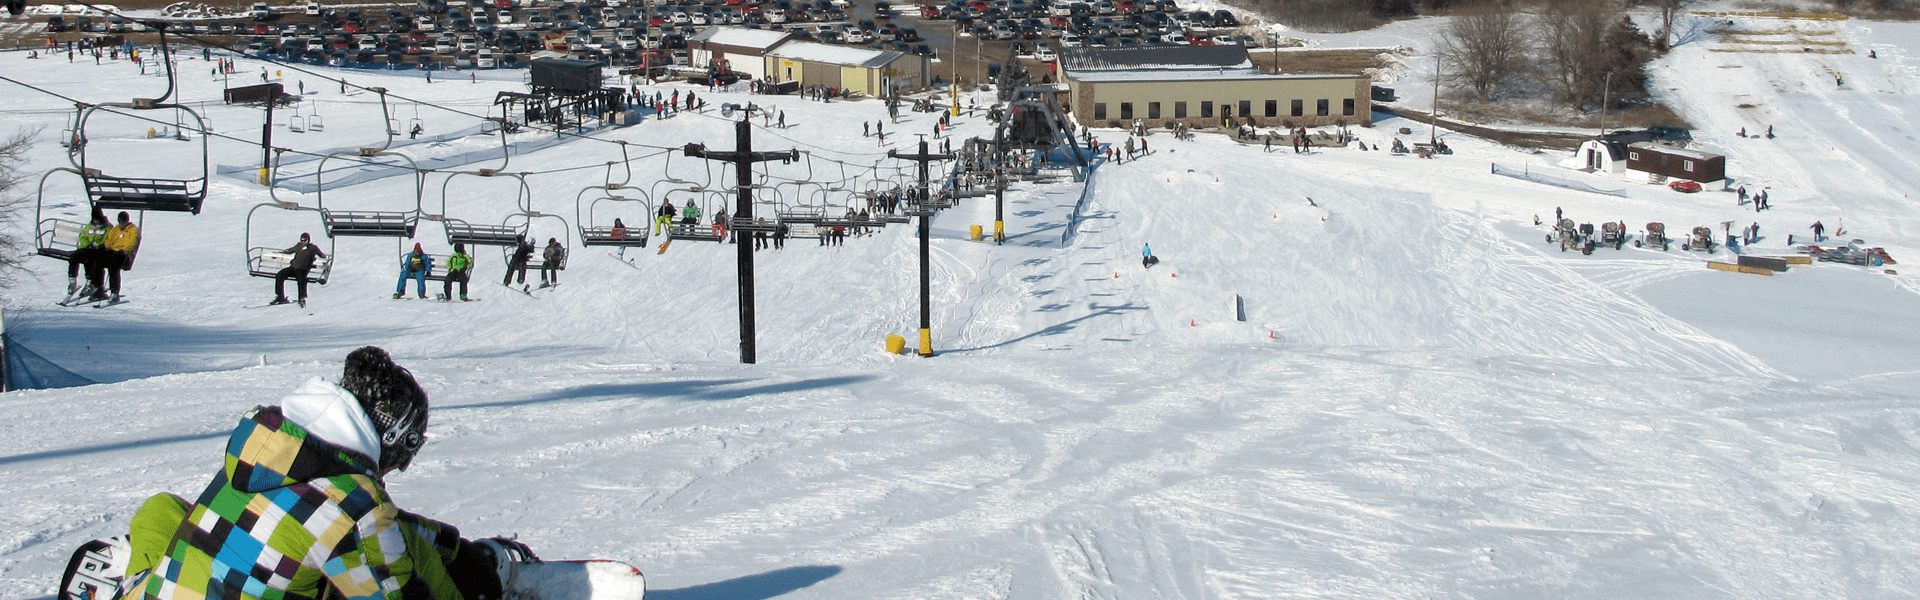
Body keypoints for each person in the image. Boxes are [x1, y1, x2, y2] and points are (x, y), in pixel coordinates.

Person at [113, 347, 535, 600]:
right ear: (390, 438)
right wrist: (471, 570)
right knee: (386, 561)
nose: (390, 474)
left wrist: (448, 542)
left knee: (163, 510)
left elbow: (343, 521)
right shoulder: (353, 505)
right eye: (400, 459)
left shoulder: (273, 444)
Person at [272, 233, 326, 306]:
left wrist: (324, 260)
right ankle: (280, 296)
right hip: (293, 268)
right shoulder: (299, 246)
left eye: (305, 240)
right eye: (302, 240)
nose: (303, 242)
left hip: (303, 270)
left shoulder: (313, 248)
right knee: (280, 275)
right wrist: (278, 254)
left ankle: (302, 297)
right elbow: (290, 251)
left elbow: (321, 255)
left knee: (302, 279)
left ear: (308, 240)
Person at [67, 211, 111, 301]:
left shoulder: (107, 227)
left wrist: (96, 244)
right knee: (73, 257)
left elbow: (108, 239)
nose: (96, 222)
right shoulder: (89, 226)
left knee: (90, 260)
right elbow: (83, 237)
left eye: (97, 220)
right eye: (94, 220)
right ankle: (72, 281)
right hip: (87, 248)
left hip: (98, 250)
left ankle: (90, 282)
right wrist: (87, 244)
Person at [101, 211, 140, 302]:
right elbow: (110, 240)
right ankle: (97, 287)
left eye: (124, 222)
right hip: (113, 253)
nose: (122, 224)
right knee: (97, 259)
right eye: (120, 222)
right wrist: (106, 246)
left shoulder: (133, 229)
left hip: (124, 255)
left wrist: (123, 250)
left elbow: (132, 243)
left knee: (113, 267)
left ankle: (114, 292)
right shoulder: (116, 229)